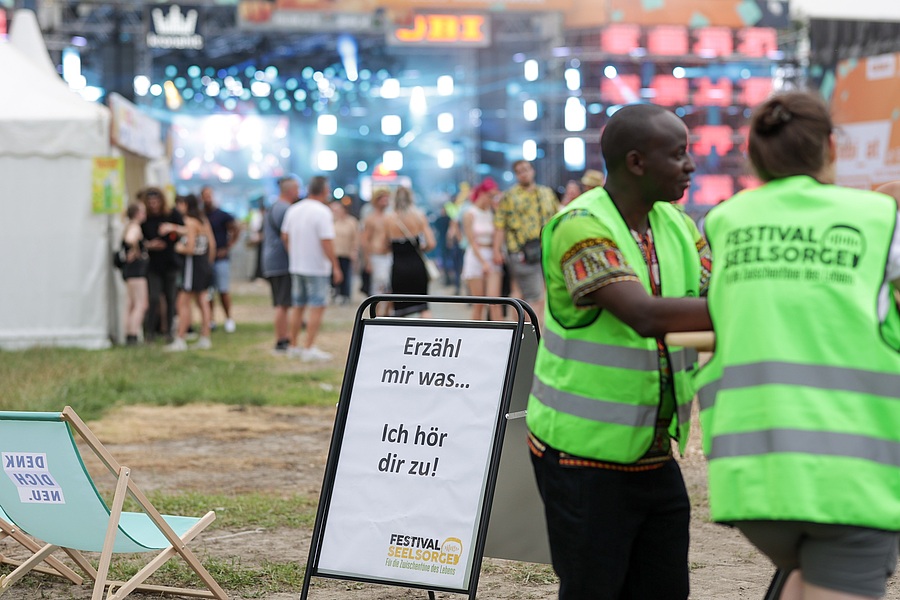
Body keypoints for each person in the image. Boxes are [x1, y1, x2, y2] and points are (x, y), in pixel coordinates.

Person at [694, 91, 900, 600]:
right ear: (831, 146)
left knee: (806, 577)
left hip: (750, 477)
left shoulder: (726, 221)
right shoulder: (877, 219)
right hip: (850, 476)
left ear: (756, 157)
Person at [526, 103, 712, 600]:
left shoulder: (676, 225)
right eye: (678, 155)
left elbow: (718, 286)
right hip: (583, 455)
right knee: (594, 589)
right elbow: (644, 314)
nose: (690, 166)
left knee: (664, 589)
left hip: (652, 451)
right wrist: (751, 311)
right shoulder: (579, 225)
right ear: (636, 162)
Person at [280, 175, 342, 362]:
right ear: (324, 190)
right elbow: (327, 241)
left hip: (297, 266)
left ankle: (293, 346)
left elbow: (284, 235)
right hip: (316, 267)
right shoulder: (322, 212)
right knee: (317, 306)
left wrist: (294, 253)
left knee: (298, 306)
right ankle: (309, 347)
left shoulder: (294, 209)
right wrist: (335, 265)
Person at [492, 159, 559, 325]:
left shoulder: (546, 193)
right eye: (520, 171)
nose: (524, 173)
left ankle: (522, 331)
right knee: (534, 296)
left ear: (533, 170)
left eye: (527, 169)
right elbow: (500, 225)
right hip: (520, 252)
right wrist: (496, 251)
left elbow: (556, 218)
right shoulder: (510, 196)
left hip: (546, 250)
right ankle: (533, 338)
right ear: (516, 175)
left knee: (535, 293)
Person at [163, 194, 216, 351]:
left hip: (192, 265)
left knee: (182, 302)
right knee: (202, 300)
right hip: (203, 263)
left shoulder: (190, 221)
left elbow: (190, 247)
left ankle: (180, 338)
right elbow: (211, 244)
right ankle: (205, 336)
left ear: (185, 204)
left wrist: (179, 248)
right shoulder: (203, 221)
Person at [262, 176, 300, 354]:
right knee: (283, 304)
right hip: (281, 262)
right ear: (291, 190)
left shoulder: (275, 207)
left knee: (281, 302)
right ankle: (281, 339)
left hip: (273, 261)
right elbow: (288, 236)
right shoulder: (284, 209)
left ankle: (283, 338)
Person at [140, 187, 184, 343]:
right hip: (154, 265)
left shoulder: (172, 215)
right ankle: (150, 332)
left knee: (171, 298)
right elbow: (140, 240)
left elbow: (186, 230)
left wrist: (171, 228)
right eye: (150, 202)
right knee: (153, 298)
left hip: (170, 263)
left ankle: (169, 332)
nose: (153, 205)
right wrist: (149, 245)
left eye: (156, 201)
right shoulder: (145, 219)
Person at [386, 186, 437, 318]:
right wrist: (420, 248)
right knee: (423, 306)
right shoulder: (419, 216)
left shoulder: (389, 219)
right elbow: (431, 243)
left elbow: (382, 245)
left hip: (398, 267)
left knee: (399, 309)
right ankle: (426, 336)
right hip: (417, 266)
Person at [461, 178, 503, 321]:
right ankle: (476, 339)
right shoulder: (470, 213)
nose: (493, 199)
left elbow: (500, 231)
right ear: (483, 194)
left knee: (495, 302)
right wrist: (482, 261)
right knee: (478, 303)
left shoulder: (494, 213)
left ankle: (503, 338)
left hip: (492, 254)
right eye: (491, 195)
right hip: (475, 256)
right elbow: (471, 241)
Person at [200, 185, 241, 333]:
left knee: (223, 290)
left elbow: (236, 228)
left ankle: (229, 318)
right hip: (206, 259)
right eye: (205, 195)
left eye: (209, 195)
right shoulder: (201, 215)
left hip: (220, 258)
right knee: (208, 292)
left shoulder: (222, 215)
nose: (208, 198)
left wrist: (228, 246)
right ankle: (210, 319)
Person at [120, 201, 150, 346]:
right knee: (140, 304)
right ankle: (132, 335)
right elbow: (130, 239)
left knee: (131, 303)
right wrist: (136, 251)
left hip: (130, 272)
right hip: (137, 272)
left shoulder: (128, 226)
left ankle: (128, 334)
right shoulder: (135, 227)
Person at [361, 187, 393, 313]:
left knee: (390, 287)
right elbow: (365, 240)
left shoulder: (391, 217)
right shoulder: (370, 218)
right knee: (378, 287)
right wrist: (367, 260)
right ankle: (377, 313)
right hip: (376, 256)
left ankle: (388, 314)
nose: (385, 201)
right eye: (382, 199)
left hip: (389, 255)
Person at [330, 200, 359, 305]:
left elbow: (355, 238)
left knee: (346, 274)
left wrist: (354, 251)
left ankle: (345, 294)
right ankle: (335, 293)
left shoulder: (351, 222)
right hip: (334, 253)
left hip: (346, 253)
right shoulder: (333, 221)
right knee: (334, 274)